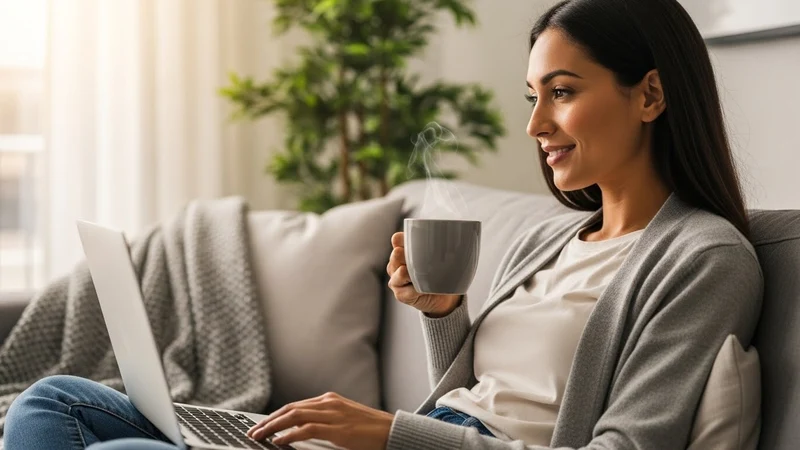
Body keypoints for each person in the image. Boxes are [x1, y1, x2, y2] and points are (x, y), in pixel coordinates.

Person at [3, 0, 764, 449]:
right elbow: (479, 390)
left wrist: (390, 434)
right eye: (531, 95)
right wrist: (444, 314)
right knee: (53, 401)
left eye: (560, 93)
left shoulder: (704, 257)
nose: (535, 125)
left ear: (652, 95)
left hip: (406, 445)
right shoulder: (556, 236)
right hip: (407, 439)